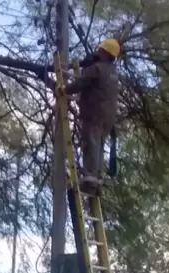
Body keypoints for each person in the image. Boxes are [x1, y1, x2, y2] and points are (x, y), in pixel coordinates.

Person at [61, 38, 121, 194]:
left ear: (105, 53)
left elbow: (81, 83)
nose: (98, 51)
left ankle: (90, 181)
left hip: (94, 113)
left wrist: (64, 89)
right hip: (108, 117)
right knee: (99, 146)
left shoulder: (97, 69)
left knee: (91, 144)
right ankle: (97, 180)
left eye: (100, 50)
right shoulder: (113, 72)